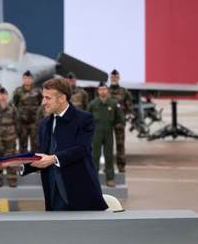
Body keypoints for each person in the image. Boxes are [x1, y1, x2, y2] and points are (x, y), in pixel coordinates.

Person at [23, 78, 107, 211]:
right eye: (43, 97)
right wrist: (16, 163)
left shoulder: (84, 119)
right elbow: (43, 155)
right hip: (52, 192)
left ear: (62, 98)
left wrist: (53, 159)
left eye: (47, 98)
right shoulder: (44, 124)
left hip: (79, 193)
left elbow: (82, 149)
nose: (43, 102)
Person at [89, 82, 121, 187]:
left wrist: (116, 125)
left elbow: (119, 118)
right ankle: (93, 179)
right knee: (95, 156)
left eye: (104, 89)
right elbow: (87, 118)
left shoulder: (113, 103)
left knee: (109, 155)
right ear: (98, 91)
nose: (102, 91)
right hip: (96, 133)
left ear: (107, 91)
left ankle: (110, 178)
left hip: (108, 132)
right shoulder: (93, 104)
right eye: (100, 89)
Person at [0, 88, 20, 187]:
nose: (2, 96)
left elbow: (17, 121)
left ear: (7, 96)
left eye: (4, 94)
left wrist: (14, 133)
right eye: (1, 95)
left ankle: (12, 179)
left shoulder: (12, 108)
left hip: (10, 137)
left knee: (11, 158)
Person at [108, 69, 133, 173]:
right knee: (108, 145)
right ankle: (108, 167)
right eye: (112, 77)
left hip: (119, 123)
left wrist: (124, 116)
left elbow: (129, 106)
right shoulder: (105, 91)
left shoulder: (124, 92)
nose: (114, 79)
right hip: (107, 122)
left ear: (118, 78)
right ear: (110, 78)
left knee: (120, 144)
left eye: (116, 77)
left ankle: (121, 166)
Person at [13, 70, 41, 152]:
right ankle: (23, 160)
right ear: (23, 79)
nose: (27, 80)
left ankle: (35, 160)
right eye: (25, 78)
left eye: (29, 78)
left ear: (32, 79)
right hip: (22, 123)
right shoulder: (18, 91)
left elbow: (41, 104)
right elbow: (15, 104)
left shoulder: (37, 91)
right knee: (22, 145)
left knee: (35, 144)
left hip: (34, 122)